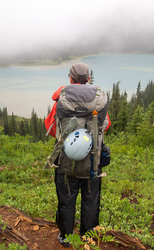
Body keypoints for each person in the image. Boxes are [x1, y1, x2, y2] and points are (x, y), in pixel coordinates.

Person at [44, 62, 110, 248]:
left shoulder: (61, 101)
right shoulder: (99, 101)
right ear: (88, 78)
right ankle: (88, 235)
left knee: (66, 200)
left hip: (66, 163)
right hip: (92, 163)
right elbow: (106, 125)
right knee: (90, 199)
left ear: (70, 78)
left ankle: (65, 237)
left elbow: (50, 128)